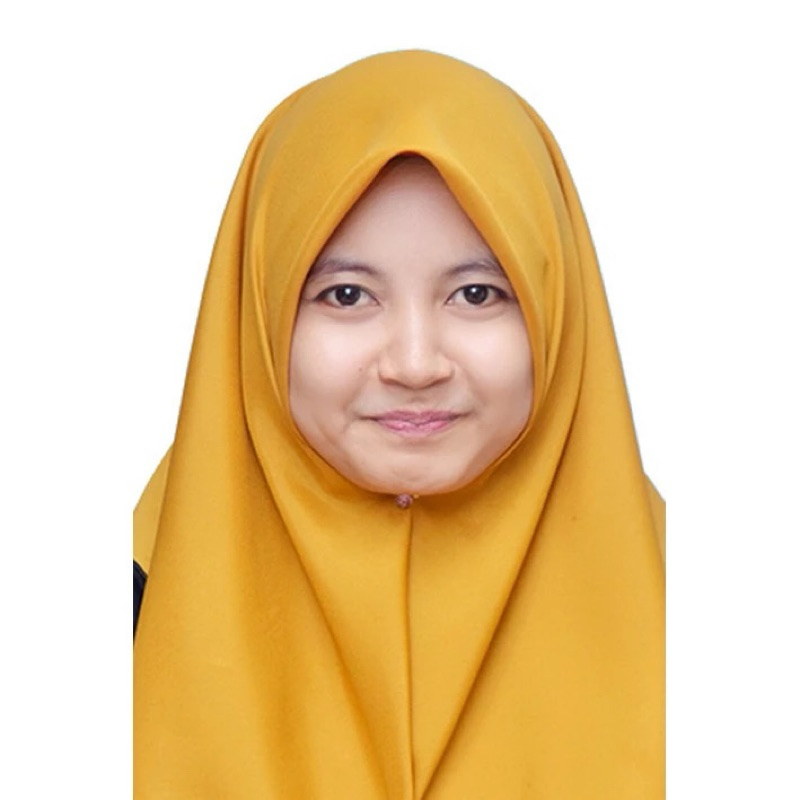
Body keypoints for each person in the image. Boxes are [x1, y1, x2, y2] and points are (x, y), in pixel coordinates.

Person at [133, 50, 664, 798]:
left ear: (558, 309)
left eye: (477, 294)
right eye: (347, 295)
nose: (416, 364)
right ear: (256, 312)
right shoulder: (120, 606)